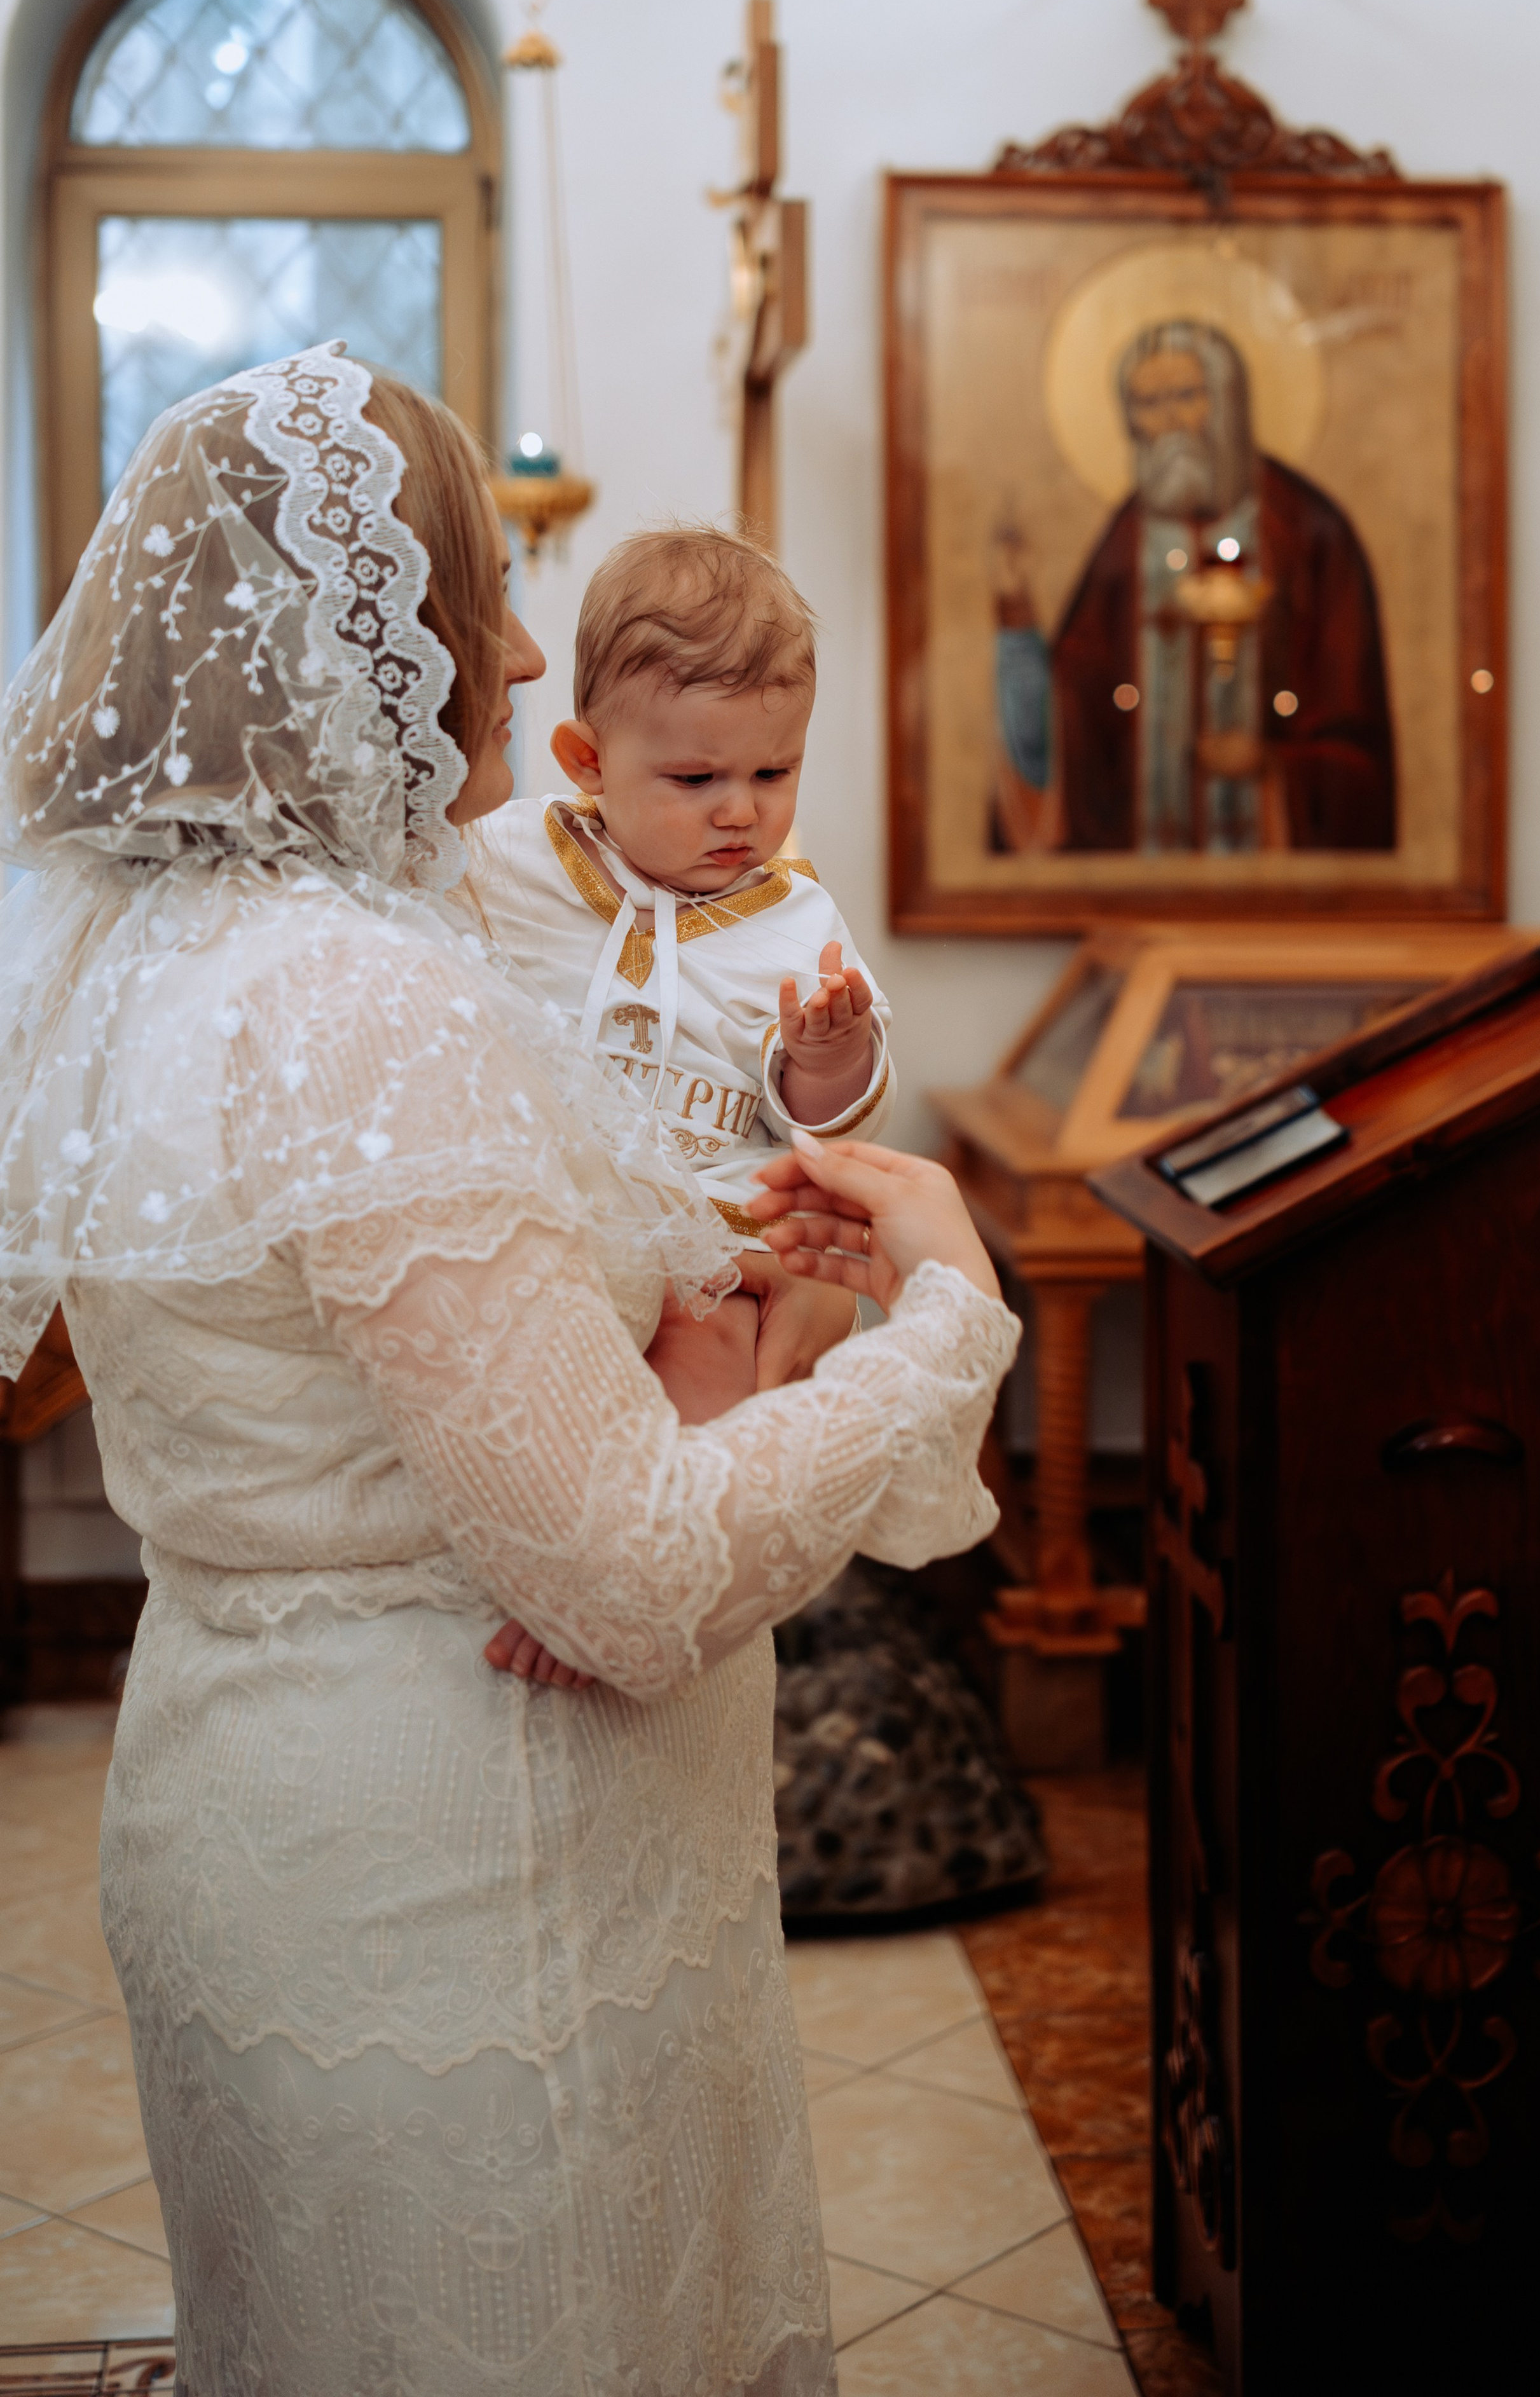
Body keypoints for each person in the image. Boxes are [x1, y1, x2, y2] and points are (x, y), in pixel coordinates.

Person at [0, 345, 1021, 2397]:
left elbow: (380, 1347)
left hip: (260, 1795)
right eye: (479, 602)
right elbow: (627, 1577)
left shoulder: (140, 943)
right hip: (470, 1891)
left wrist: (682, 1286)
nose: (529, 649)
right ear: (350, 641)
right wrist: (945, 1324)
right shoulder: (356, 993)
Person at [478, 526, 891, 1423]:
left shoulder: (797, 918)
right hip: (548, 1230)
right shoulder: (511, 855)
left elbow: (828, 1125)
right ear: (588, 762)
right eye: (696, 778)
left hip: (721, 1247)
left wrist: (830, 1059)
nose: (741, 811)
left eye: (774, 771)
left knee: (705, 1431)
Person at [993, 317, 1396, 855]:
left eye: (1187, 395)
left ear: (1229, 400)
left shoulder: (1305, 531)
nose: (1171, 422)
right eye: (1147, 404)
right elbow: (1075, 711)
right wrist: (1018, 618)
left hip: (1275, 875)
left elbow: (1356, 734)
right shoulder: (1127, 537)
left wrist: (1271, 764)